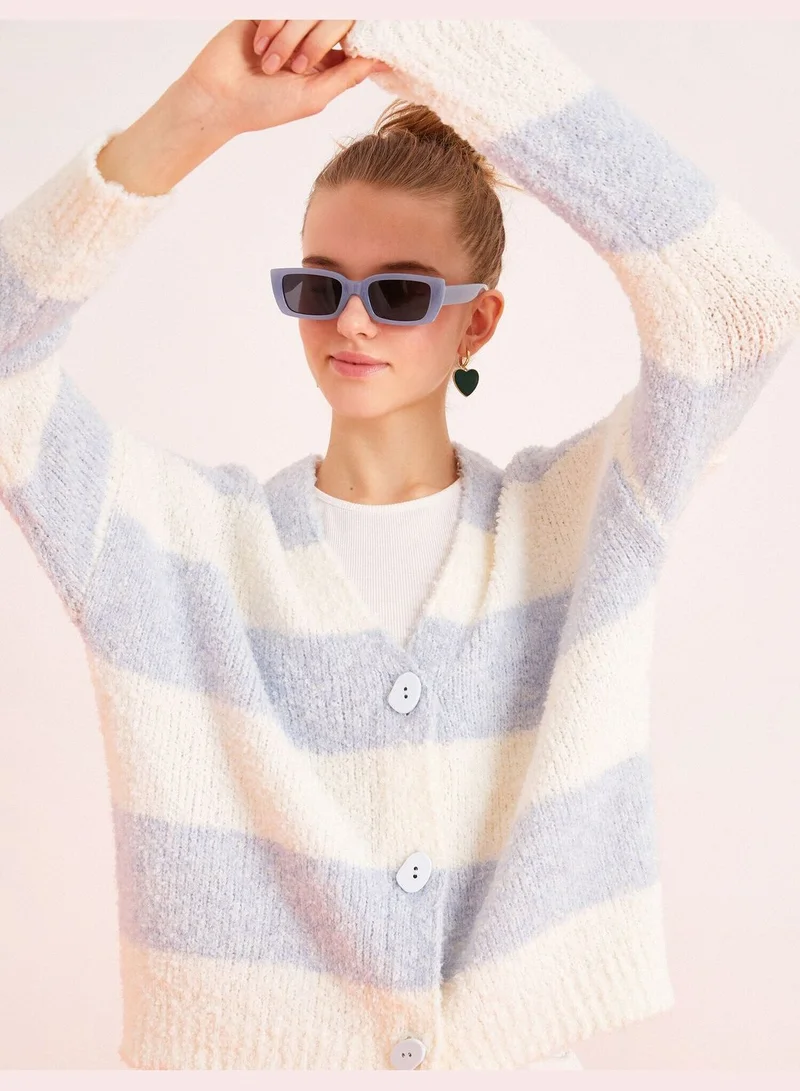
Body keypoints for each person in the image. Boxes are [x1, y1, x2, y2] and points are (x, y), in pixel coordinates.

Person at [1, 18, 798, 1071]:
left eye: (401, 291)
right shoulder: (174, 541)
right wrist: (199, 116)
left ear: (478, 323)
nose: (351, 322)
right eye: (318, 285)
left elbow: (742, 305)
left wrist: (449, 49)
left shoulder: (584, 519)